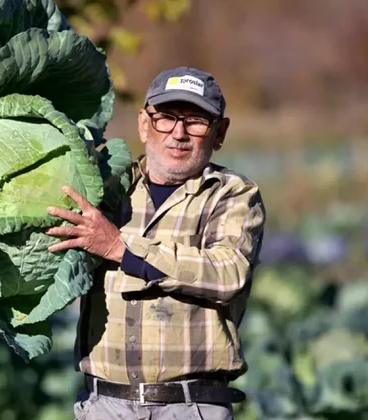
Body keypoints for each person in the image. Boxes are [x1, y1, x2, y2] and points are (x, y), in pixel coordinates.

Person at [45, 67, 266, 420]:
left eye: (196, 121)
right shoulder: (106, 188)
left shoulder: (232, 194)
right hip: (104, 404)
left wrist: (122, 249)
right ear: (144, 124)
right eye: (165, 118)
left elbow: (229, 273)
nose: (178, 134)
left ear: (219, 132)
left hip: (190, 407)